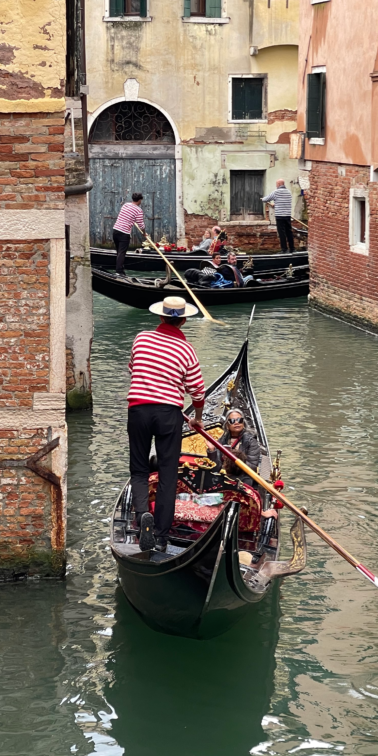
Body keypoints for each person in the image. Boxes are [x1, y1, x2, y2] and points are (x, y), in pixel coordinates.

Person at [128, 296, 205, 552]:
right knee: (167, 475)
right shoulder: (187, 350)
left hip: (138, 410)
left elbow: (133, 368)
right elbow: (198, 393)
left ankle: (142, 518)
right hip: (169, 414)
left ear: (161, 317)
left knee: (139, 470)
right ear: (183, 320)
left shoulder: (141, 338)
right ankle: (160, 536)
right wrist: (198, 419)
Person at [206, 409, 262, 486]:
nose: (236, 423)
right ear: (227, 425)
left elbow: (252, 467)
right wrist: (212, 451)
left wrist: (235, 460)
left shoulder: (251, 441)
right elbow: (216, 467)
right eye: (232, 421)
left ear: (243, 423)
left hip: (243, 478)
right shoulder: (222, 440)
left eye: (239, 420)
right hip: (224, 477)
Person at [113, 192, 145, 275]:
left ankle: (120, 269)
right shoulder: (138, 210)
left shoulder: (125, 205)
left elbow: (126, 216)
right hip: (124, 233)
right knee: (121, 253)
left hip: (115, 230)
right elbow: (141, 225)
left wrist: (131, 220)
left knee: (119, 252)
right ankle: (119, 272)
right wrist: (144, 233)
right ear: (139, 200)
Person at [262, 179, 295, 253]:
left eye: (276, 184)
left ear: (279, 184)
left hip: (280, 215)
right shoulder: (289, 192)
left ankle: (284, 249)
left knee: (282, 233)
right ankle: (292, 249)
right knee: (289, 232)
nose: (276, 186)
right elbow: (284, 202)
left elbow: (266, 199)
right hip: (287, 215)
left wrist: (262, 199)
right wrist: (276, 204)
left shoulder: (276, 192)